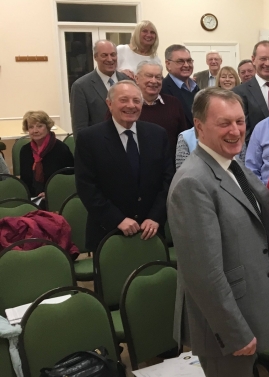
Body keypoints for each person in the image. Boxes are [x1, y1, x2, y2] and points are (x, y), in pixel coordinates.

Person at [168, 87, 269, 377]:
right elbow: (204, 272)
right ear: (199, 127)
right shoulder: (193, 182)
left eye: (240, 121)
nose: (235, 131)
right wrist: (234, 331)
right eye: (223, 123)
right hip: (224, 324)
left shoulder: (231, 165)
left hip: (246, 308)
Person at [74, 81, 174, 251]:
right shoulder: (89, 139)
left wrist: (156, 217)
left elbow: (169, 179)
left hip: (151, 231)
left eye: (136, 100)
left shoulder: (157, 134)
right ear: (109, 104)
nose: (131, 106)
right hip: (108, 232)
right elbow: (87, 188)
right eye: (124, 100)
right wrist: (117, 220)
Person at [126, 61, 187, 160]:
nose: (154, 81)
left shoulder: (174, 103)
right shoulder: (126, 107)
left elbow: (183, 138)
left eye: (158, 77)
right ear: (136, 79)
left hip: (168, 168)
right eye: (149, 76)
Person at [69, 40, 129, 132]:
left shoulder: (128, 81)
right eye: (104, 55)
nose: (110, 59)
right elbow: (79, 127)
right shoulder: (81, 86)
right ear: (95, 57)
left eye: (113, 54)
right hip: (97, 144)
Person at [18, 111, 74, 204]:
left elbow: (70, 180)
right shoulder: (25, 151)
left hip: (57, 198)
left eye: (39, 126)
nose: (35, 130)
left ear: (47, 127)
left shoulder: (61, 149)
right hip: (32, 200)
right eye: (31, 127)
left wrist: (49, 193)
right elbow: (25, 181)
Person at [233, 41, 269, 142]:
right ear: (253, 60)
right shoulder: (239, 93)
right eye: (263, 59)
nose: (267, 63)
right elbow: (242, 131)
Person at [161, 44, 200, 128]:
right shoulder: (162, 90)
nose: (186, 65)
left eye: (189, 61)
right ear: (168, 64)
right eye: (180, 61)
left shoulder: (196, 88)